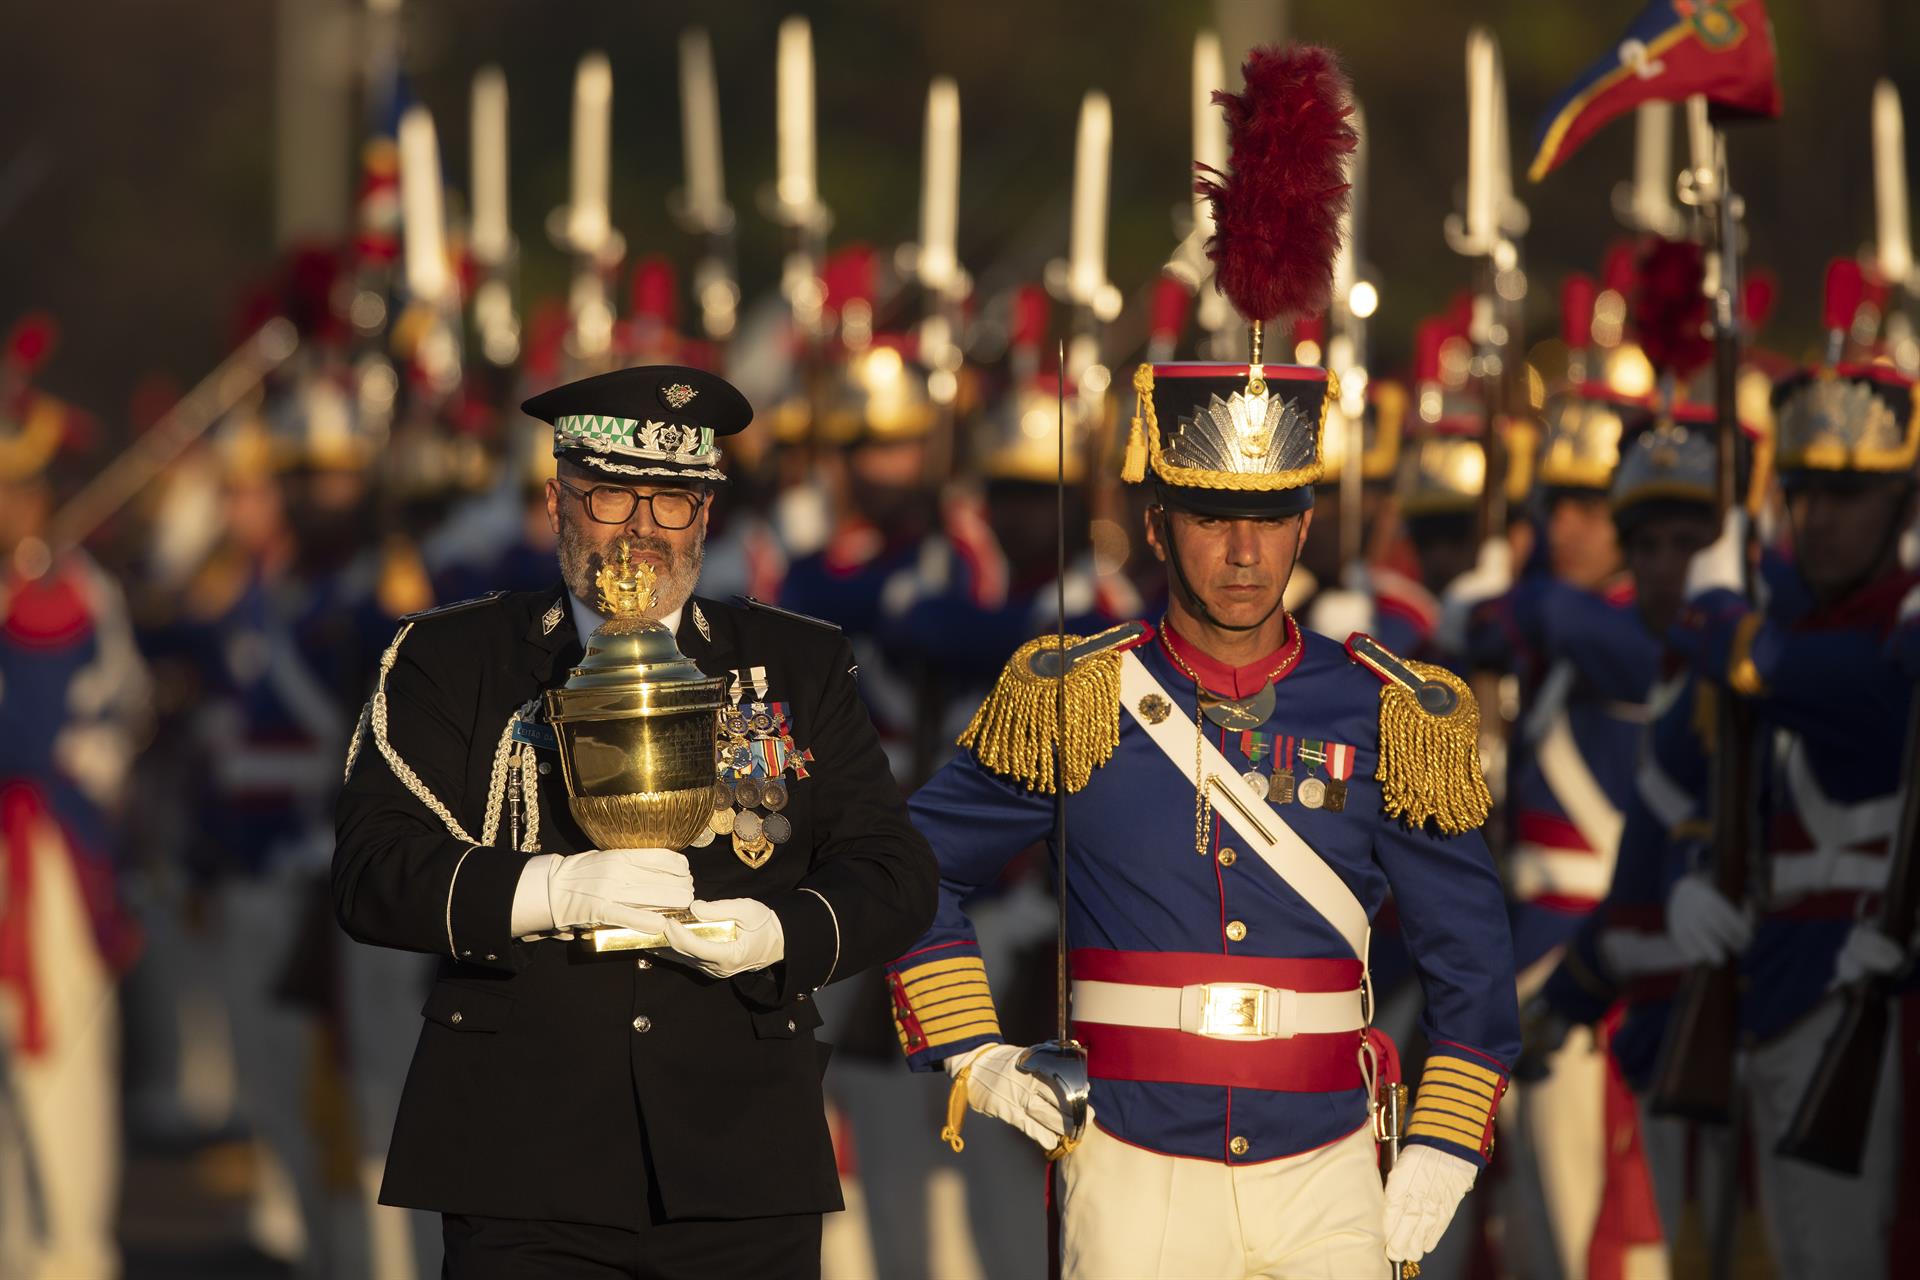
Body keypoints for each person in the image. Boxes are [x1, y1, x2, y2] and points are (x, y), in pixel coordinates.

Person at [882, 46, 1518, 1277]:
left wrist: (1445, 1137)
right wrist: (980, 1053)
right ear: (1159, 521)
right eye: (1212, 517)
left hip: (1330, 1159)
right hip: (1129, 1160)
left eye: (1272, 516)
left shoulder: (1394, 708)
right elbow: (908, 870)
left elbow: (1468, 947)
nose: (1243, 548)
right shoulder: (1068, 697)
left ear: (1304, 521)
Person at [333, 363, 937, 1279]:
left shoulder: (795, 662)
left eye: (673, 502)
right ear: (556, 501)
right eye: (612, 497)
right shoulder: (454, 659)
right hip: (521, 1156)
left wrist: (778, 932)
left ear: (706, 516)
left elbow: (893, 874)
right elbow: (372, 870)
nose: (643, 531)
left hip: (740, 1154)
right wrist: (550, 889)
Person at [1661, 353, 1918, 1280]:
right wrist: (1694, 878)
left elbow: (1754, 660)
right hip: (1777, 984)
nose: (1822, 519)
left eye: (1853, 496)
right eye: (1804, 493)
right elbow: (1710, 790)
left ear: (1902, 507)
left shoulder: (1897, 641)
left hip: (1856, 995)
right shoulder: (1813, 629)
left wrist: (1719, 601)